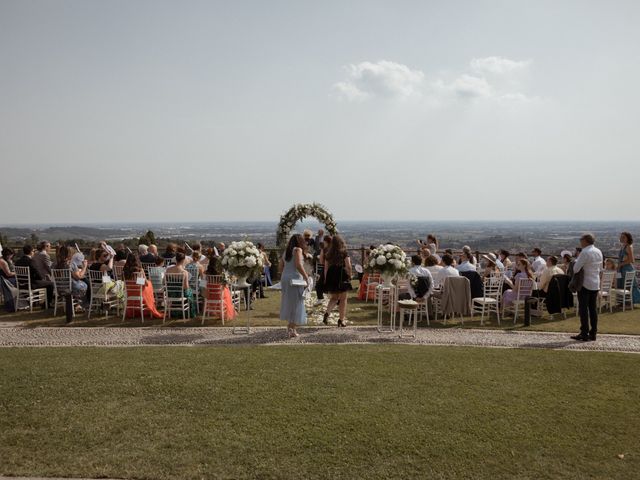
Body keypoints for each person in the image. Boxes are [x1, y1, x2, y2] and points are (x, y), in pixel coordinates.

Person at [571, 234, 603, 341]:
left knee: (583, 309)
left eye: (581, 240)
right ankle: (593, 333)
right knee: (593, 309)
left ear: (585, 241)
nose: (580, 242)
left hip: (585, 283)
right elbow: (601, 268)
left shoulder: (584, 252)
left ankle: (584, 332)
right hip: (595, 283)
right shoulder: (598, 251)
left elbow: (576, 269)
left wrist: (576, 262)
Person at [279, 234, 311, 337]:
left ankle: (292, 328)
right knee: (297, 303)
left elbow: (280, 267)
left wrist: (285, 275)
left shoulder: (286, 252)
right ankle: (291, 328)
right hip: (295, 279)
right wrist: (306, 277)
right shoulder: (298, 250)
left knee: (289, 302)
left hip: (285, 278)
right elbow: (298, 265)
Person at [322, 234, 352, 327]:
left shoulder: (328, 254)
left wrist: (326, 279)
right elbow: (348, 265)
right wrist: (350, 275)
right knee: (343, 299)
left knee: (334, 298)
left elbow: (326, 268)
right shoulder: (343, 252)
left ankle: (327, 312)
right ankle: (341, 320)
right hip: (341, 275)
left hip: (331, 275)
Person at [165, 252, 197, 318]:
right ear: (183, 260)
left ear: (176, 259)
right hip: (180, 294)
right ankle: (188, 313)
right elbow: (185, 287)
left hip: (170, 293)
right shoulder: (184, 272)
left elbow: (164, 282)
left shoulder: (168, 270)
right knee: (190, 293)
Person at [617, 232, 640, 303]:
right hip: (622, 269)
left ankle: (630, 303)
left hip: (627, 269)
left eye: (624, 237)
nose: (622, 238)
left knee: (628, 286)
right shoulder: (623, 246)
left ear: (628, 238)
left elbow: (632, 260)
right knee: (622, 285)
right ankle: (624, 302)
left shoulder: (628, 246)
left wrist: (621, 264)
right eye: (621, 237)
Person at [315, 235, 332, 305]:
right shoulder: (335, 248)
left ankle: (320, 299)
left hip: (326, 268)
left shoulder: (325, 249)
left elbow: (321, 261)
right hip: (336, 269)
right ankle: (338, 301)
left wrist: (322, 251)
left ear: (325, 241)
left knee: (318, 285)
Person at [0, 247, 17, 312]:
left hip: (6, 278)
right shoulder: (3, 262)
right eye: (11, 255)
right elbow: (8, 274)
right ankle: (16, 303)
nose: (12, 256)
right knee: (22, 283)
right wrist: (17, 273)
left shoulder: (6, 260)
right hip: (5, 280)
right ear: (8, 255)